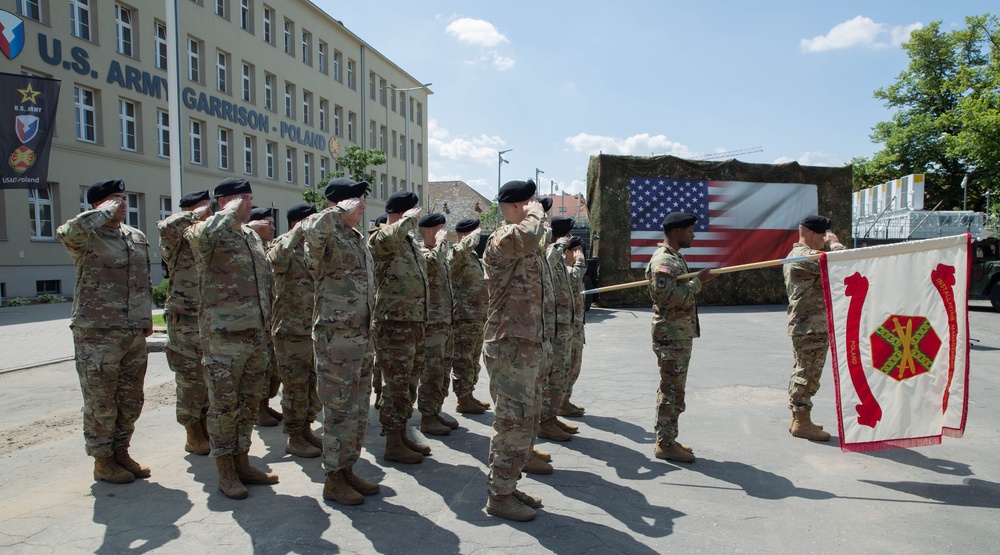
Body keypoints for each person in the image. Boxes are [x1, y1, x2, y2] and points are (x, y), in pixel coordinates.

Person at [56, 179, 153, 485]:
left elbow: (142, 282)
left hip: (132, 331)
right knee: (101, 400)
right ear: (98, 204)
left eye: (124, 198)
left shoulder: (136, 236)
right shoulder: (86, 236)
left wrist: (145, 318)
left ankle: (121, 451)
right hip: (98, 332)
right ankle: (102, 460)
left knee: (130, 399)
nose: (122, 203)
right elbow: (67, 232)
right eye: (115, 198)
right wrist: (100, 213)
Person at [186, 178, 277, 499]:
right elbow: (203, 235)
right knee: (224, 406)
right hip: (223, 340)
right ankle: (225, 471)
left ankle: (242, 461)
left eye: (250, 199)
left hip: (256, 336)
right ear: (224, 201)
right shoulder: (205, 231)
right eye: (243, 199)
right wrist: (226, 212)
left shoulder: (251, 236)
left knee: (249, 404)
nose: (249, 204)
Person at [301, 178, 381, 505]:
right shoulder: (325, 234)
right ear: (339, 204)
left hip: (361, 338)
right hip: (336, 340)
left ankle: (348, 469)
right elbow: (311, 236)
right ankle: (333, 478)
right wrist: (333, 212)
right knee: (338, 411)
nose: (362, 205)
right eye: (356, 200)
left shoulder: (355, 237)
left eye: (362, 200)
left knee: (359, 410)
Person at [483, 179, 549, 522]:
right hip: (509, 346)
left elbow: (536, 241)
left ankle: (509, 484)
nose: (535, 207)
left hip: (526, 346)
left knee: (526, 420)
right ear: (511, 207)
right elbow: (527, 235)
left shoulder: (527, 245)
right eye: (528, 202)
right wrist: (535, 216)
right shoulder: (502, 239)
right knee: (512, 423)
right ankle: (499, 496)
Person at [646, 211, 716, 464]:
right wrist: (698, 282)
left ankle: (668, 438)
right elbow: (666, 297)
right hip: (670, 336)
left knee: (675, 389)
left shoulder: (675, 258)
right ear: (676, 232)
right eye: (689, 230)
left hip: (678, 335)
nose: (693, 234)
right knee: (671, 390)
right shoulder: (664, 261)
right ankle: (665, 443)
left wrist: (695, 281)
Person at [368, 191, 431, 464]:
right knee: (395, 385)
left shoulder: (408, 241)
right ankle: (392, 442)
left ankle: (402, 434)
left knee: (409, 383)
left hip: (414, 323)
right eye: (413, 211)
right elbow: (384, 240)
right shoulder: (381, 237)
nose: (416, 217)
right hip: (393, 324)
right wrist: (404, 220)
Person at [157, 189, 213, 456]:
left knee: (208, 376)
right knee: (190, 377)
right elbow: (166, 227)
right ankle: (193, 432)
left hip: (209, 316)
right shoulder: (176, 239)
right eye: (204, 209)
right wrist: (194, 214)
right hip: (186, 318)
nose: (208, 214)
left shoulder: (205, 237)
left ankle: (204, 425)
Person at [267, 203, 322, 458]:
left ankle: (306, 428)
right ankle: (294, 436)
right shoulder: (282, 244)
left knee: (312, 385)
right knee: (295, 387)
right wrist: (298, 233)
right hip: (291, 329)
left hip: (314, 327)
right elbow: (276, 261)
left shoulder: (315, 247)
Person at [785, 215, 845, 442]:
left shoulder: (800, 254)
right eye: (823, 235)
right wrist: (835, 244)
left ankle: (800, 418)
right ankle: (801, 421)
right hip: (810, 326)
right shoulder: (805, 256)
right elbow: (843, 264)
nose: (825, 238)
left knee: (805, 371)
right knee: (807, 374)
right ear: (811, 233)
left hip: (809, 324)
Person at [536, 216, 579, 442]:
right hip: (553, 325)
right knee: (552, 375)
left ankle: (551, 417)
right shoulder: (547, 252)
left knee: (560, 374)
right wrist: (559, 244)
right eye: (567, 234)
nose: (570, 238)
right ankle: (545, 421)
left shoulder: (559, 255)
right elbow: (546, 266)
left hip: (563, 323)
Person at [416, 213, 458, 436]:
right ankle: (427, 417)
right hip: (432, 325)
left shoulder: (440, 254)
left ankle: (436, 410)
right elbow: (430, 265)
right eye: (441, 229)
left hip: (445, 322)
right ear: (431, 232)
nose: (445, 233)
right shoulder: (424, 253)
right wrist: (441, 244)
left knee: (443, 371)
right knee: (432, 372)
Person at [448, 218, 491, 414]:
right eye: (475, 234)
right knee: (463, 360)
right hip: (464, 316)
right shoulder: (458, 253)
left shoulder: (471, 255)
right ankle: (462, 398)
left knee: (473, 359)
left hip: (477, 317)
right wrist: (468, 240)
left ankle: (469, 394)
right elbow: (452, 260)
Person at [247, 207, 283, 428]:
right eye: (267, 223)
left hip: (270, 317)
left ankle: (265, 404)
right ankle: (258, 410)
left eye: (272, 223)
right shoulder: (249, 247)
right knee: (259, 369)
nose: (272, 227)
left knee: (272, 368)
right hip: (254, 319)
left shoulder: (268, 248)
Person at [563, 236, 589, 417]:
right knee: (563, 368)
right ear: (566, 252)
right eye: (576, 250)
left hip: (576, 324)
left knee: (574, 366)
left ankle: (564, 401)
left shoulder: (572, 269)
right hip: (566, 327)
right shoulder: (562, 268)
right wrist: (580, 261)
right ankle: (558, 404)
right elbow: (574, 278)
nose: (580, 254)